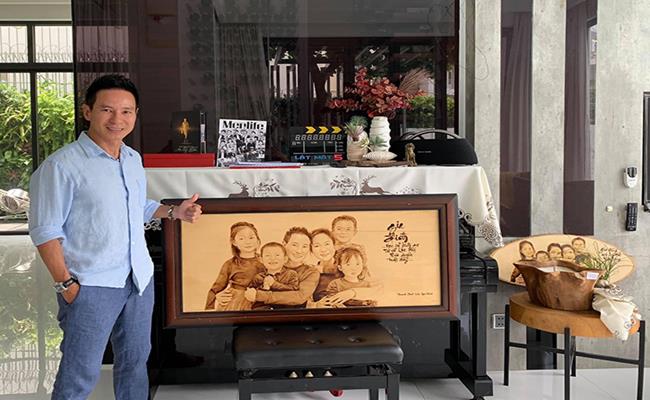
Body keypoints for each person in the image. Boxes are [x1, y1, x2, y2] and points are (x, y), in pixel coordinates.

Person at [28, 74, 202, 400]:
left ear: (135, 115)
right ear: (87, 111)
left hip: (137, 280)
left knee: (135, 364)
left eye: (126, 111)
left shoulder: (132, 159)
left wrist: (173, 211)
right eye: (107, 110)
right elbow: (45, 231)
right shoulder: (61, 166)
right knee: (80, 373)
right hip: (90, 284)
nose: (117, 119)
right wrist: (67, 285)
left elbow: (137, 206)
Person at [244, 227, 319, 308]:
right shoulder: (268, 264)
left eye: (304, 246)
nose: (299, 251)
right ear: (284, 244)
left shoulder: (311, 272)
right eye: (294, 245)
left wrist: (261, 295)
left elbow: (300, 297)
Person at [204, 222, 264, 311]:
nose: (247, 242)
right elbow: (216, 288)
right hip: (235, 302)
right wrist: (215, 300)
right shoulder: (230, 264)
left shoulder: (265, 260)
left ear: (257, 240)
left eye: (251, 237)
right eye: (241, 238)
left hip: (259, 300)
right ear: (234, 242)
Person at [249, 242, 299, 309]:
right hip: (263, 309)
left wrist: (274, 284)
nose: (272, 258)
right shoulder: (258, 277)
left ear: (285, 259)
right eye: (268, 255)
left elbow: (294, 292)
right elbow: (251, 295)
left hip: (285, 308)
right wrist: (264, 288)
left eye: (277, 255)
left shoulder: (291, 274)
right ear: (261, 259)